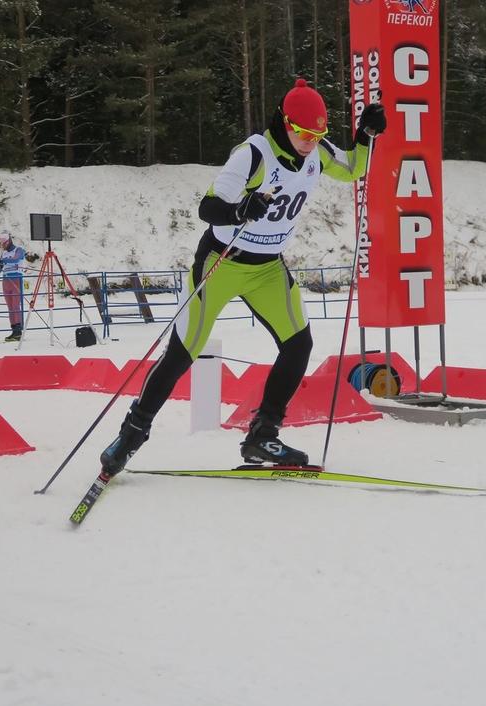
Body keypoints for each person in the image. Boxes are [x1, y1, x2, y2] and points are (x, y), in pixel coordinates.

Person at [98, 77, 386, 475]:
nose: (309, 141)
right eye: (302, 132)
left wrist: (365, 133)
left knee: (298, 344)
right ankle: (132, 433)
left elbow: (353, 169)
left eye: (316, 134)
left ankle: (263, 433)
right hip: (221, 262)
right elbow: (208, 208)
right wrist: (239, 210)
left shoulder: (317, 152)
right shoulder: (253, 154)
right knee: (183, 353)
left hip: (267, 267)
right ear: (284, 122)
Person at [0, 230, 26, 341]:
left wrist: (2, 260)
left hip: (16, 279)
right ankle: (13, 330)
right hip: (6, 280)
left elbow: (16, 259)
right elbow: (1, 267)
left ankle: (18, 331)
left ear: (10, 240)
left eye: (5, 243)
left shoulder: (18, 250)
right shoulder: (4, 253)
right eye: (2, 244)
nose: (4, 245)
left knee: (16, 306)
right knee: (10, 307)